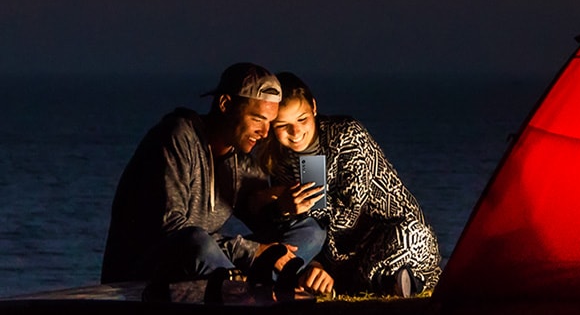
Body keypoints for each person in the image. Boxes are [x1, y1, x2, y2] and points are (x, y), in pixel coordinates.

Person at [101, 63, 326, 291]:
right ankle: (246, 291)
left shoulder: (241, 159)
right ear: (225, 104)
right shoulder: (176, 137)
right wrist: (252, 251)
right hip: (144, 272)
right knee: (197, 241)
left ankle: (250, 286)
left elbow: (265, 224)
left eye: (270, 122)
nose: (265, 132)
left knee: (310, 230)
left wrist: (282, 210)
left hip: (208, 266)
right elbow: (172, 230)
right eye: (257, 119)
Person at [256, 72, 442, 297]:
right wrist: (284, 209)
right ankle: (383, 282)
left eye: (302, 119)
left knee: (413, 234)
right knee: (302, 242)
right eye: (282, 125)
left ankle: (398, 280)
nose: (295, 132)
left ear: (313, 107)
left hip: (385, 233)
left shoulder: (346, 134)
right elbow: (295, 224)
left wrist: (292, 203)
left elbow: (348, 214)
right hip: (333, 254)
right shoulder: (277, 157)